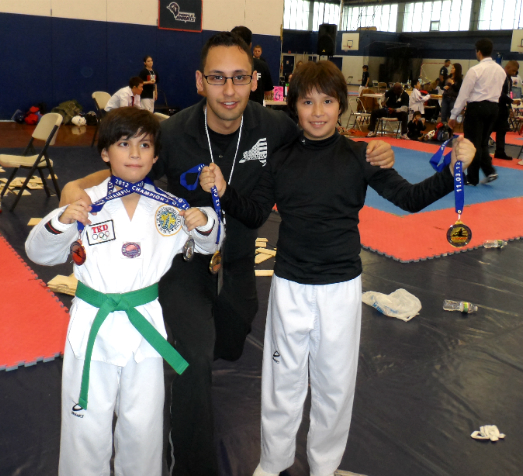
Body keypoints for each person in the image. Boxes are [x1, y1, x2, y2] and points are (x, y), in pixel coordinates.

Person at [59, 32, 395, 476]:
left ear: (255, 80)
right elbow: (125, 167)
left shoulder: (275, 128)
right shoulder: (173, 133)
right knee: (193, 359)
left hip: (239, 260)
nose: (230, 90)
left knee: (231, 345)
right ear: (200, 81)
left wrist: (373, 149)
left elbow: (324, 135)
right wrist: (74, 190)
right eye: (218, 78)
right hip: (187, 265)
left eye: (239, 78)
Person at [198, 60, 475, 476]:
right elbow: (254, 213)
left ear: (341, 105)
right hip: (290, 284)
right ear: (294, 107)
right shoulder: (282, 158)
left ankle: (324, 467)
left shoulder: (360, 157)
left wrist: (457, 168)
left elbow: (410, 199)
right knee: (281, 384)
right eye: (308, 102)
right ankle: (272, 464)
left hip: (340, 288)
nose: (318, 111)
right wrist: (224, 190)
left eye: (327, 101)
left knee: (334, 385)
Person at [25, 108, 221, 476]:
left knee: (143, 426)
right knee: (86, 427)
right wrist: (62, 219)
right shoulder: (85, 203)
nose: (134, 153)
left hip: (143, 326)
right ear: (105, 153)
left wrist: (205, 221)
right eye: (124, 143)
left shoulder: (169, 208)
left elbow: (210, 245)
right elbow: (39, 253)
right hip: (92, 325)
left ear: (156, 155)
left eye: (144, 145)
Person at [448, 38, 506, 185]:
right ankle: (489, 171)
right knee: (483, 143)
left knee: (473, 144)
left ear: (478, 52)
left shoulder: (475, 70)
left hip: (477, 108)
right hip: (493, 108)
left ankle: (472, 178)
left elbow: (463, 94)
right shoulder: (501, 71)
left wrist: (454, 114)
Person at [232, 26, 274, 105]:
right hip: (256, 112)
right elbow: (268, 93)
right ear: (251, 45)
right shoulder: (263, 66)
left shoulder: (224, 66)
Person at [492, 60, 519, 160]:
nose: (514, 73)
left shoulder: (509, 79)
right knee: (488, 130)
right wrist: (511, 101)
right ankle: (482, 153)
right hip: (496, 106)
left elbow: (507, 93)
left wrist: (510, 103)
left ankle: (500, 151)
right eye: (513, 70)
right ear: (507, 67)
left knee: (502, 130)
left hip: (503, 107)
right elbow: (498, 93)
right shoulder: (500, 77)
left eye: (515, 71)